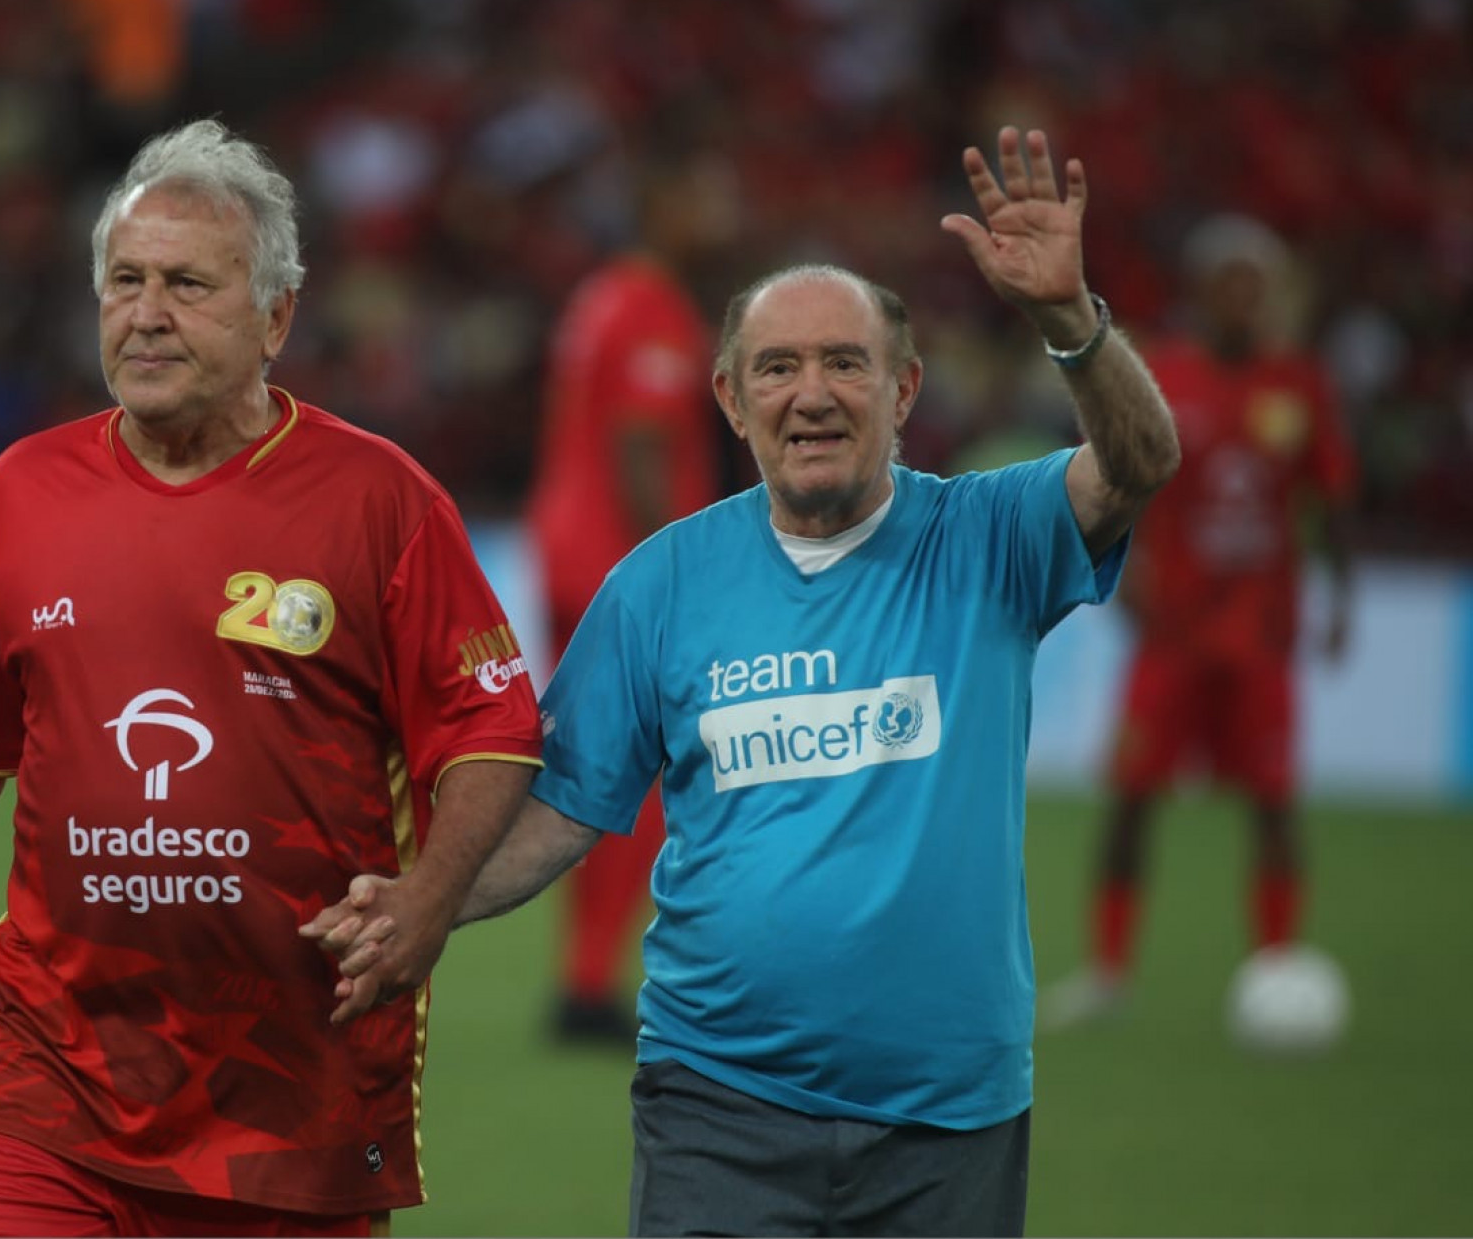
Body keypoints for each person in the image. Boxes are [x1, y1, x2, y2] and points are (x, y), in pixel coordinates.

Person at [305, 126, 1182, 1236]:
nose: (812, 393)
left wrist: (1071, 324)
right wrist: (414, 908)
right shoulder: (659, 583)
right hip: (717, 1108)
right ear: (728, 398)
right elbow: (558, 813)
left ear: (905, 389)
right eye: (777, 367)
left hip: (949, 1115)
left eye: (845, 363)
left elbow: (1141, 462)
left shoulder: (988, 534)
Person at [0, 118, 543, 1238]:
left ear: (276, 316)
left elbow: (491, 730)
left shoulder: (381, 501)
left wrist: (428, 900)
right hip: (43, 1075)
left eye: (187, 285)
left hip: (294, 1095)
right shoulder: (24, 492)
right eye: (125, 281)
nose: (146, 313)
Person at [1041, 213, 1357, 1030]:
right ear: (1203, 293)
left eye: (1257, 288)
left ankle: (1277, 965)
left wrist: (1342, 600)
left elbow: (1329, 498)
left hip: (1261, 634)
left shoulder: (1299, 384)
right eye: (1230, 286)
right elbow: (1115, 480)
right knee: (1131, 798)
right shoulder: (1164, 376)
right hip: (1172, 633)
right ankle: (1108, 974)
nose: (1244, 301)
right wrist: (1121, 568)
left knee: (1274, 803)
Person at [525, 141, 733, 1044]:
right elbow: (642, 444)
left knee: (594, 770)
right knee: (641, 781)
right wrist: (677, 567)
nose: (723, 215)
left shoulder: (600, 295)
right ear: (664, 206)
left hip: (567, 547)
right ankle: (588, 985)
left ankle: (584, 977)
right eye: (707, 197)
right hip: (621, 559)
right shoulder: (654, 309)